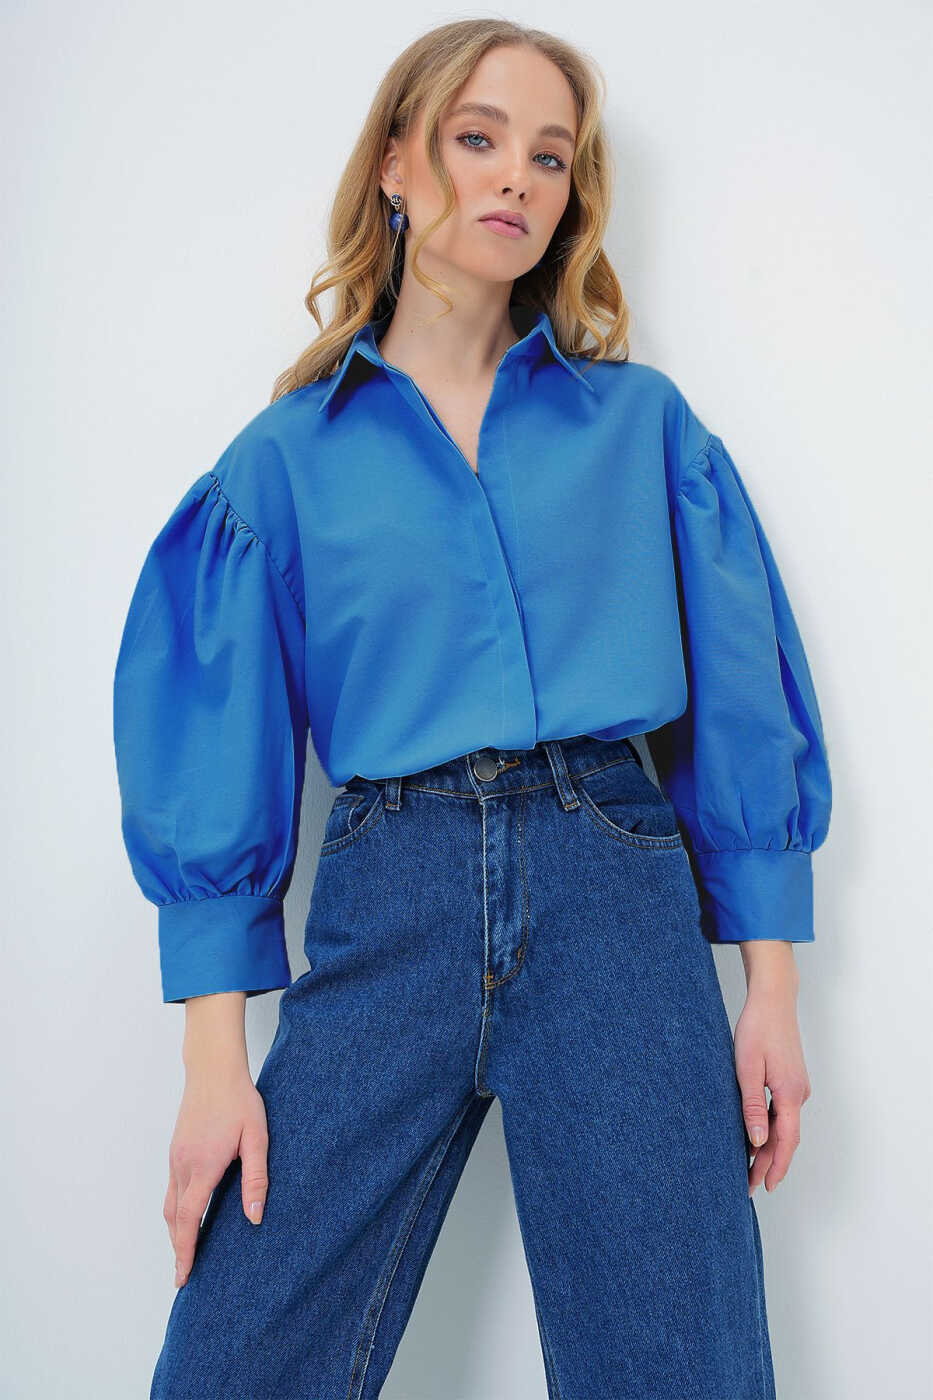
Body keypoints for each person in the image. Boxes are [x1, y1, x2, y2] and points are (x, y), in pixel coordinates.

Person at [112, 19, 832, 1399]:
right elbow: (213, 751)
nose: (516, 177)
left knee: (677, 1367)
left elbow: (744, 705)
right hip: (391, 895)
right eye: (477, 137)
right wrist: (213, 1066)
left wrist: (772, 990)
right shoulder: (285, 463)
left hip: (614, 893)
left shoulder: (644, 428)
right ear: (396, 162)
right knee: (235, 1359)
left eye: (550, 156)